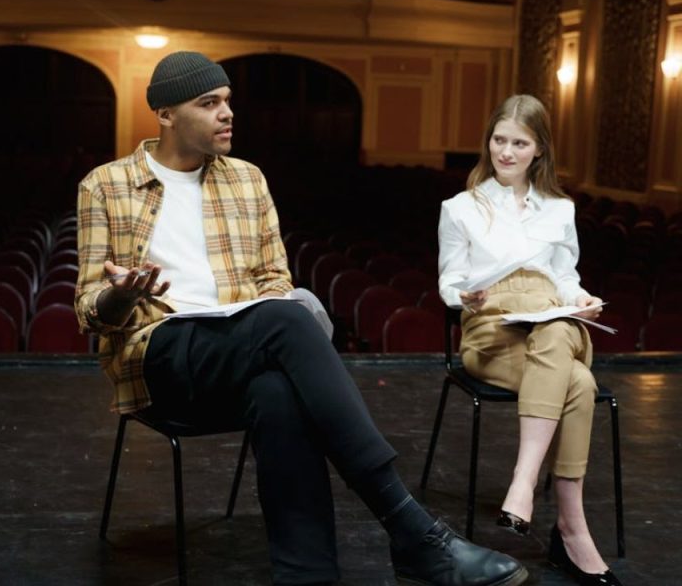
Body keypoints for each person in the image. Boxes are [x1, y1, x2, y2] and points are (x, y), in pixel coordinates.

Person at [76, 50, 526, 586]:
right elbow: (90, 312)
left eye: (227, 102)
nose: (227, 113)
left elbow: (274, 281)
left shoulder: (247, 180)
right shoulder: (105, 184)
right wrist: (121, 296)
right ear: (167, 114)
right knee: (287, 322)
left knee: (279, 391)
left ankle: (308, 576)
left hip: (239, 350)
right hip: (159, 358)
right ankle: (412, 529)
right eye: (209, 103)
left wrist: (267, 307)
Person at [438, 94, 621, 586]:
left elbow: (565, 277)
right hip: (491, 329)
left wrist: (583, 300)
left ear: (539, 149)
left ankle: (523, 482)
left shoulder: (560, 209)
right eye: (499, 140)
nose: (506, 152)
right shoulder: (460, 208)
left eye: (519, 143)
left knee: (560, 326)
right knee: (579, 385)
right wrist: (464, 297)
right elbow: (448, 281)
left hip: (550, 318)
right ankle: (571, 529)